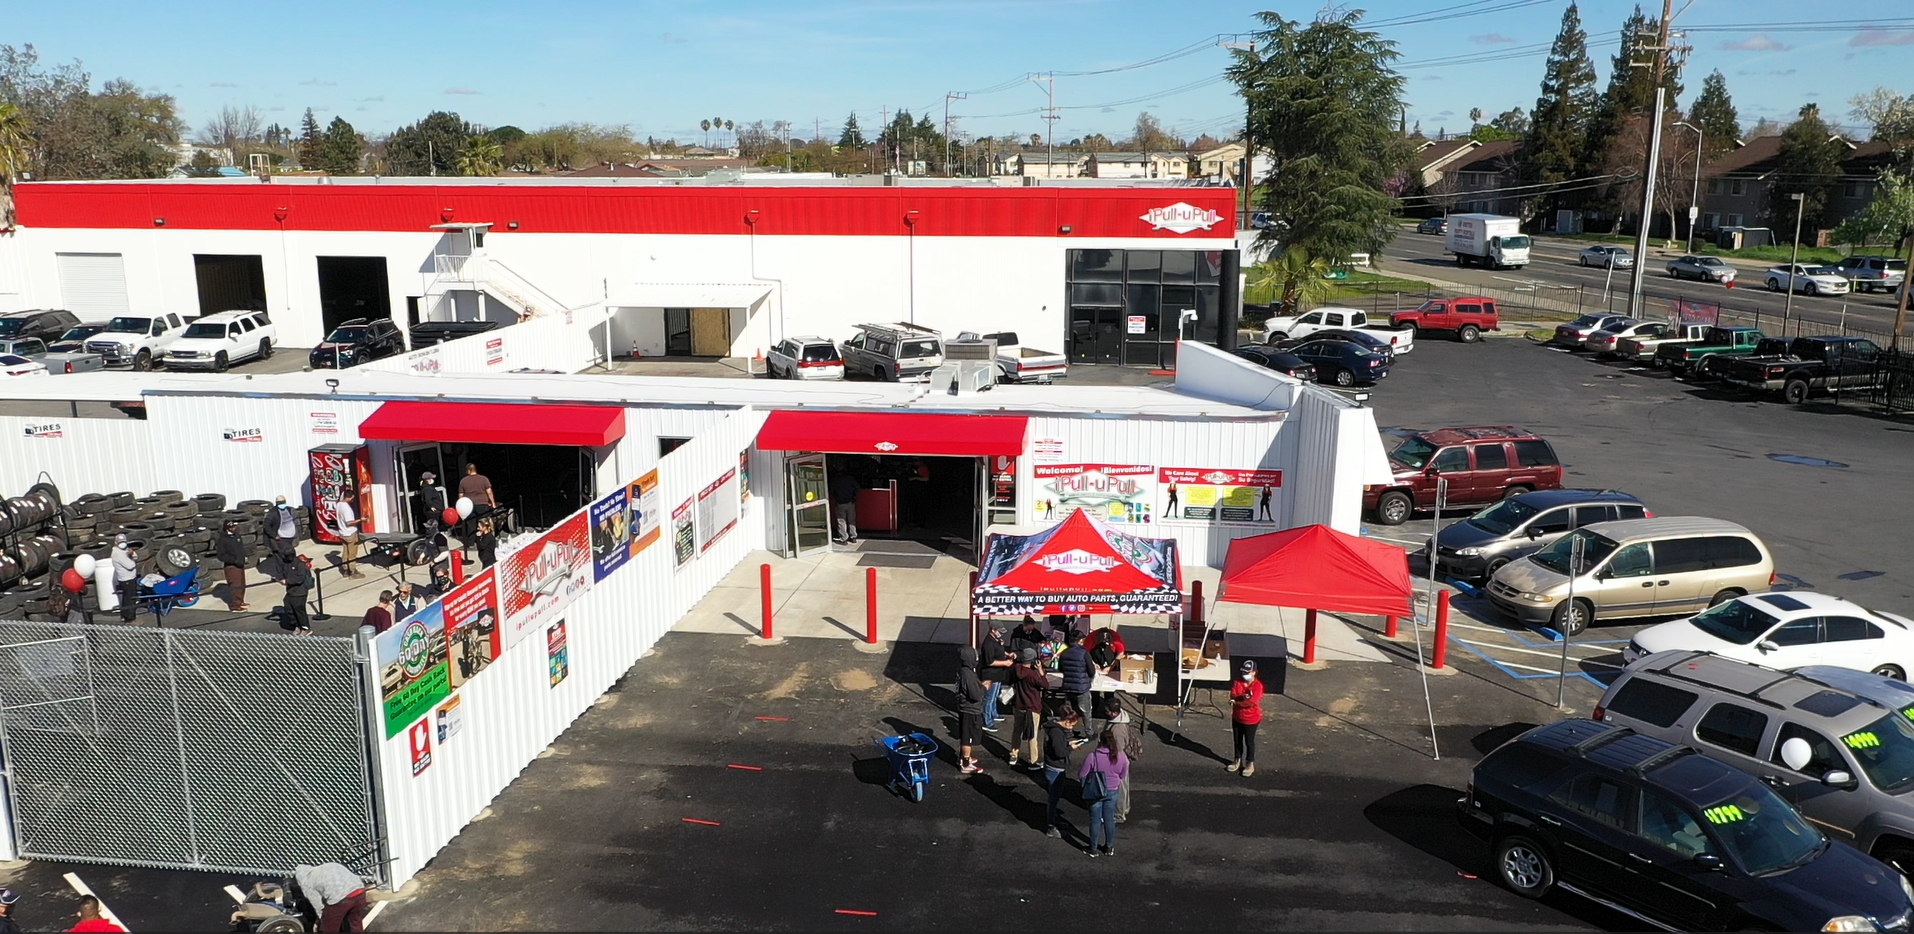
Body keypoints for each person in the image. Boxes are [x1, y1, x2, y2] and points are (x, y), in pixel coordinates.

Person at [1078, 726, 1128, 857]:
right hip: (1112, 792)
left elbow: (1082, 774)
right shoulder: (1121, 757)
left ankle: (1093, 848)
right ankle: (1109, 847)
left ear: (1100, 741)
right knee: (1109, 819)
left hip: (1095, 792)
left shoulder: (1092, 757)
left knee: (1095, 820)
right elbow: (1123, 774)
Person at [294, 861, 376, 933]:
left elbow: (318, 904)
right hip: (359, 891)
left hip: (341, 898)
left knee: (330, 927)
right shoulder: (329, 866)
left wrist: (321, 920)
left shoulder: (305, 882)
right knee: (355, 922)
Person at [1041, 703, 1081, 839]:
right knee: (1054, 797)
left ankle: (1053, 819)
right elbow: (1059, 752)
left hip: (1052, 766)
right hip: (1055, 768)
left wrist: (1068, 744)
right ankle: (1051, 825)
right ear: (1066, 720)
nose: (1072, 727)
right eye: (1072, 723)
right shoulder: (1057, 733)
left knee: (1054, 795)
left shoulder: (1054, 728)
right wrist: (1071, 748)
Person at [1007, 647, 1046, 769]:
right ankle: (1033, 761)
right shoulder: (1033, 675)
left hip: (1018, 705)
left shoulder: (1016, 669)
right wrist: (1040, 671)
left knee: (1016, 731)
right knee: (1032, 734)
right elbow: (1045, 685)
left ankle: (1013, 755)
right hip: (1032, 708)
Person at [1229, 659, 1265, 777]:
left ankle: (1250, 763)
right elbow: (1233, 694)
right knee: (1237, 740)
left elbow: (1251, 702)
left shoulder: (1257, 686)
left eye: (1247, 672)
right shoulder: (1237, 682)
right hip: (1237, 717)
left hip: (1251, 719)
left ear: (1254, 672)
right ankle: (1237, 760)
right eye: (1243, 672)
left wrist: (1237, 702)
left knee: (1249, 742)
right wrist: (1242, 697)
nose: (1244, 675)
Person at [1056, 630, 1095, 740]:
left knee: (1068, 711)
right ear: (1081, 641)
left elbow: (1060, 668)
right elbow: (1092, 671)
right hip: (1082, 688)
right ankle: (1089, 733)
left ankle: (1068, 731)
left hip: (1068, 687)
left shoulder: (1064, 652)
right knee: (1086, 711)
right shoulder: (1084, 653)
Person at [954, 646, 986, 774]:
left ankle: (962, 757)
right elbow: (975, 695)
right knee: (968, 737)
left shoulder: (962, 670)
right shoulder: (969, 675)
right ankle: (966, 763)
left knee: (965, 734)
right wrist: (984, 687)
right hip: (970, 709)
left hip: (963, 707)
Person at [978, 624, 1013, 731]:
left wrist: (1006, 653)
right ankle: (987, 721)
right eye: (999, 631)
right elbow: (990, 661)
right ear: (993, 630)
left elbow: (998, 651)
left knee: (994, 697)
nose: (1001, 633)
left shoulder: (996, 640)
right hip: (990, 675)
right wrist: (1005, 662)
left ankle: (994, 714)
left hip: (997, 674)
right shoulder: (988, 643)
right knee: (989, 699)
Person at [215, 518, 250, 611]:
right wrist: (234, 560)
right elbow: (221, 555)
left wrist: (244, 557)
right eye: (232, 527)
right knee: (235, 585)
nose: (234, 528)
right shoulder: (222, 540)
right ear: (227, 528)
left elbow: (241, 549)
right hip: (231, 566)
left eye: (235, 526)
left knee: (242, 584)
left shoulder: (237, 536)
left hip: (240, 564)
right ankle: (235, 606)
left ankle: (240, 601)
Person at [277, 555, 313, 634]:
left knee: (299, 610)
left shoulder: (299, 564)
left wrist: (287, 581)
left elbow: (300, 579)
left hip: (300, 591)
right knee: (288, 607)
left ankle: (305, 628)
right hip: (291, 591)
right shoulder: (286, 564)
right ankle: (297, 625)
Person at [331, 497, 365, 578]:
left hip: (342, 533)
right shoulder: (346, 509)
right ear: (349, 497)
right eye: (352, 498)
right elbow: (349, 523)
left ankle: (346, 570)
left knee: (345, 552)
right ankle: (353, 572)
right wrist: (360, 520)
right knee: (352, 554)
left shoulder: (339, 504)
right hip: (350, 533)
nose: (352, 500)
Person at [110, 536, 138, 624]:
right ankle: (130, 619)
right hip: (127, 579)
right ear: (116, 542)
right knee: (130, 599)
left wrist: (132, 553)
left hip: (129, 578)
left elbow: (136, 557)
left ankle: (124, 615)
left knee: (126, 598)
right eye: (120, 542)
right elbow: (130, 565)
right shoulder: (117, 553)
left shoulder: (123, 550)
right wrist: (132, 558)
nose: (122, 543)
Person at [828, 467, 859, 545]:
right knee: (851, 520)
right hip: (850, 502)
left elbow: (831, 491)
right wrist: (853, 496)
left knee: (841, 521)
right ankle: (853, 537)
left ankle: (844, 538)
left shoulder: (835, 480)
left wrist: (836, 497)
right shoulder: (850, 478)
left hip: (840, 503)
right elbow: (857, 488)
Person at [267, 495, 301, 561]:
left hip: (291, 536)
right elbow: (266, 525)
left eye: (283, 502)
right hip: (282, 538)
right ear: (276, 503)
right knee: (285, 554)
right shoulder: (273, 513)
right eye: (279, 503)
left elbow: (295, 520)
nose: (281, 504)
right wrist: (274, 535)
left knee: (291, 552)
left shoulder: (289, 509)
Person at [416, 470, 447, 538]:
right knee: (433, 528)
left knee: (434, 528)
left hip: (434, 511)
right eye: (431, 478)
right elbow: (427, 500)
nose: (433, 480)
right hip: (433, 513)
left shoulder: (428, 488)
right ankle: (434, 540)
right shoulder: (428, 489)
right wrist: (431, 507)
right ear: (427, 480)